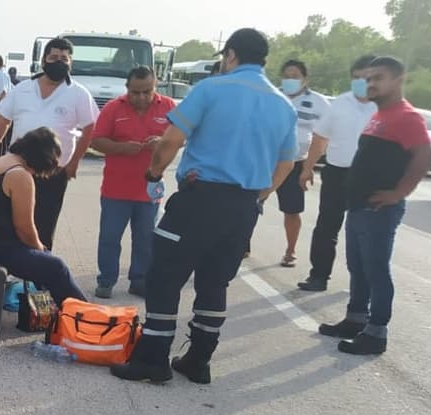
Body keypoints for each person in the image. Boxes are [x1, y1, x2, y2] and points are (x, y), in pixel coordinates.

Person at [110, 28, 297, 384]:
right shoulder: (282, 105)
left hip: (200, 198)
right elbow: (286, 164)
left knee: (164, 274)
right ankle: (198, 360)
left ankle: (153, 359)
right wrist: (258, 197)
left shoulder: (211, 89)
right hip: (244, 207)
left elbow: (171, 139)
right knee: (215, 281)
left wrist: (153, 172)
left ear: (230, 55)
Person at [317, 57, 431, 355]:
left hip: (379, 211)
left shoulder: (406, 116)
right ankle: (356, 318)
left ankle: (376, 332)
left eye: (378, 78)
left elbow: (425, 156)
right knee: (358, 266)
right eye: (368, 78)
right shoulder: (379, 115)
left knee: (375, 269)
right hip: (359, 206)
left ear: (398, 79)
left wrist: (398, 193)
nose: (371, 84)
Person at [0, 38, 99, 250]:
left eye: (64, 59)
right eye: (54, 57)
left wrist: (74, 162)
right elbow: (2, 120)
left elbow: (90, 128)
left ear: (70, 63)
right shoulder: (23, 89)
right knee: (13, 221)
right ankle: (12, 272)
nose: (59, 62)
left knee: (44, 223)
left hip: (54, 172)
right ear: (43, 60)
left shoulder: (78, 93)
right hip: (18, 170)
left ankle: (39, 272)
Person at [90, 66, 176, 299]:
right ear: (127, 88)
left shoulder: (169, 107)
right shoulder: (113, 108)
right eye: (135, 92)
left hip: (149, 189)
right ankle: (106, 280)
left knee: (146, 239)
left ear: (155, 87)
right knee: (110, 237)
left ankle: (139, 280)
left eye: (146, 92)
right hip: (115, 190)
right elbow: (96, 141)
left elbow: (183, 139)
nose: (141, 97)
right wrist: (121, 148)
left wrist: (163, 141)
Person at [296, 54, 378, 292]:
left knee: (365, 231)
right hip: (337, 173)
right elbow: (321, 137)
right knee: (326, 227)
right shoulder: (340, 104)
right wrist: (307, 168)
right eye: (356, 78)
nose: (360, 82)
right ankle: (318, 276)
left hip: (370, 178)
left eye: (366, 78)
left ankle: (364, 283)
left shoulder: (385, 107)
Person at [0, 127, 88, 305]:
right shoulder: (20, 175)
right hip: (2, 248)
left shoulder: (1, 163)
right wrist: (40, 248)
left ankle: (77, 314)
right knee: (56, 267)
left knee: (48, 265)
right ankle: (85, 318)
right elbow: (24, 229)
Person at [262, 59, 330, 267]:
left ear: (305, 79)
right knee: (251, 203)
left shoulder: (318, 103)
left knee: (292, 210)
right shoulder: (272, 96)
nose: (290, 80)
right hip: (266, 161)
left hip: (296, 163)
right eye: (287, 75)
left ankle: (290, 251)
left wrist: (308, 168)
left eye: (295, 76)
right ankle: (241, 246)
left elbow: (322, 137)